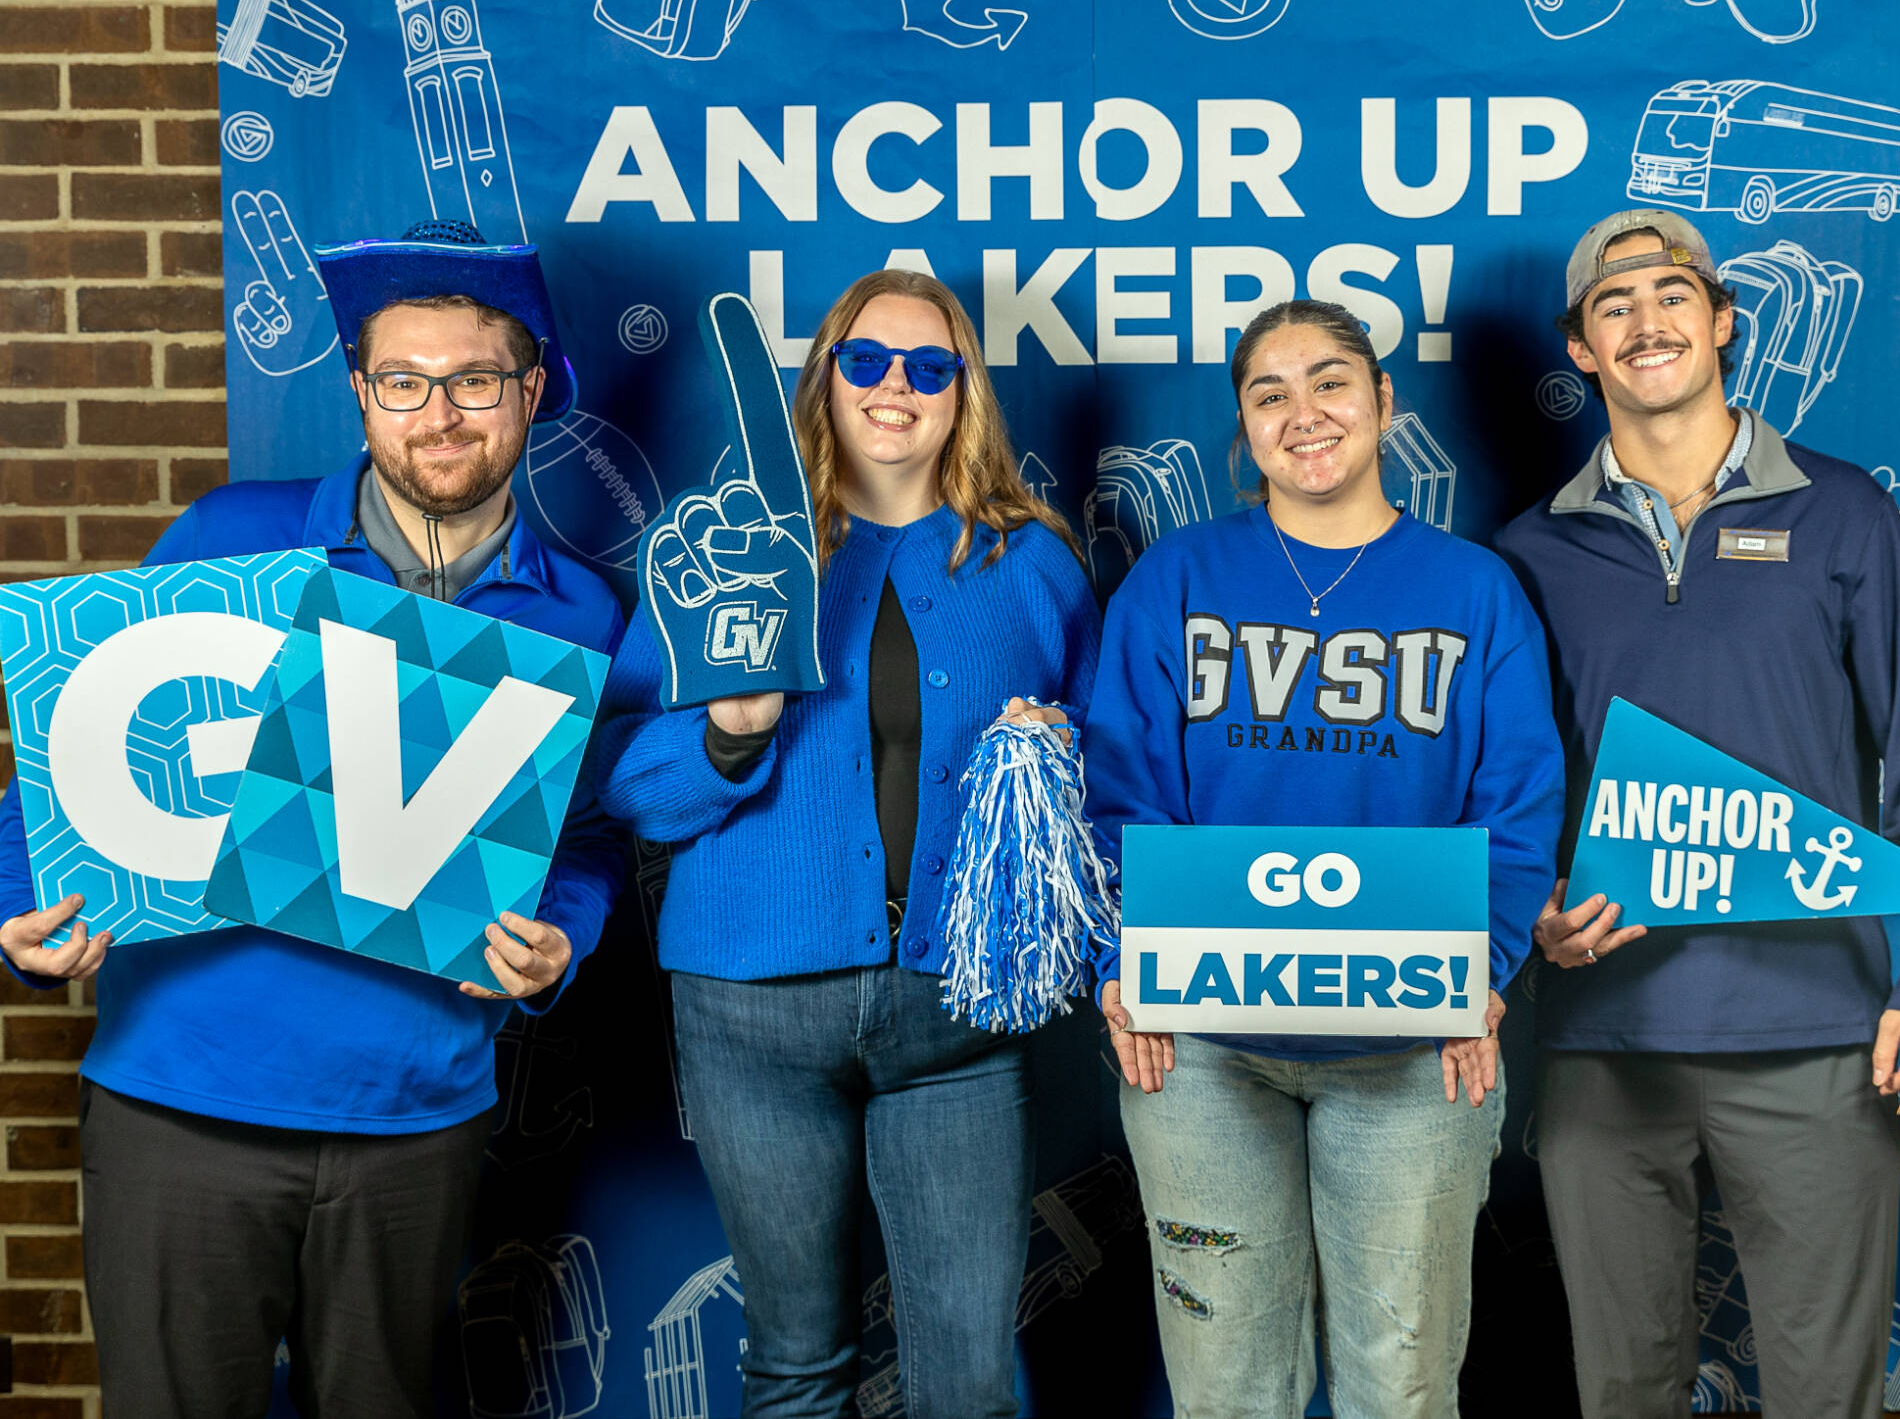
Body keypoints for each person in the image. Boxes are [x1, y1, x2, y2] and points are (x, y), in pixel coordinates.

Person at [0, 220, 626, 1419]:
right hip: (182, 1097)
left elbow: (587, 839)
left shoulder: (583, 614)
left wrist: (561, 941)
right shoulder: (231, 539)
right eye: (403, 381)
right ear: (359, 393)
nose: (438, 413)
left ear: (531, 391)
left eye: (475, 381)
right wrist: (19, 915)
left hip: (417, 1115)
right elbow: (68, 766)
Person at [1493, 209, 1900, 1419]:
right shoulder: (1524, 552)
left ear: (1720, 320)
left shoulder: (1843, 514)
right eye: (1611, 306)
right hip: (1600, 1044)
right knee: (1623, 1394)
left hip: (1817, 1032)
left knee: (1827, 1398)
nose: (1644, 321)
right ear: (1580, 350)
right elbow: (1504, 790)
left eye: (1671, 295)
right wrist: (1532, 916)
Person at [595, 268, 1098, 1418]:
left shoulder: (1031, 564)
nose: (894, 388)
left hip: (953, 1018)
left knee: (967, 1383)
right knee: (794, 1364)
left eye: (929, 367)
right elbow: (623, 782)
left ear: (962, 392)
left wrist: (1050, 752)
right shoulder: (717, 551)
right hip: (749, 1012)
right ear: (825, 377)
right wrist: (727, 734)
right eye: (866, 361)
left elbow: (1099, 786)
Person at [1084, 298, 1566, 1418]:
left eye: (1330, 382)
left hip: (1410, 1044)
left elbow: (1516, 804)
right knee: (1222, 1387)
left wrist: (1479, 977)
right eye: (1269, 394)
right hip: (1199, 1048)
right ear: (1243, 429)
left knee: (1398, 1386)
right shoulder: (1176, 578)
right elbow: (1122, 791)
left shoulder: (1473, 589)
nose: (1303, 413)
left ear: (1384, 403)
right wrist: (1128, 960)